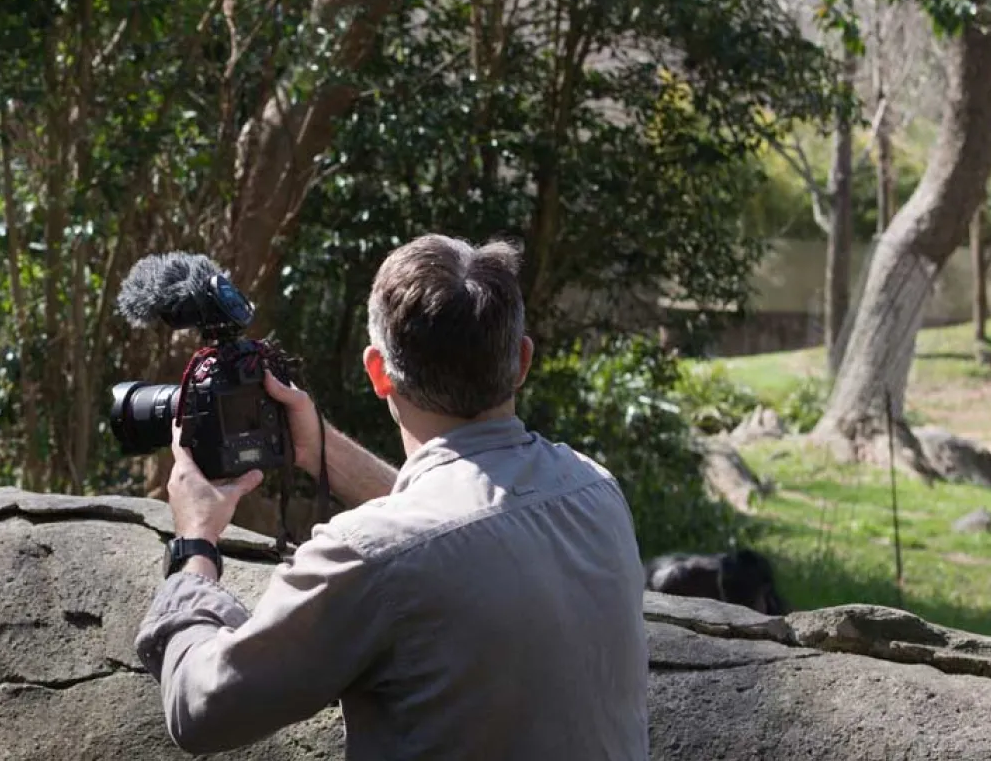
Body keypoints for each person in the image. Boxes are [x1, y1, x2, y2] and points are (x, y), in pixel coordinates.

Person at [135, 235, 649, 760]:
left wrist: (195, 545)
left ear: (378, 372)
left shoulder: (365, 556)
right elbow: (458, 526)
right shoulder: (595, 488)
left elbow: (199, 710)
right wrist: (320, 447)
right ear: (521, 360)